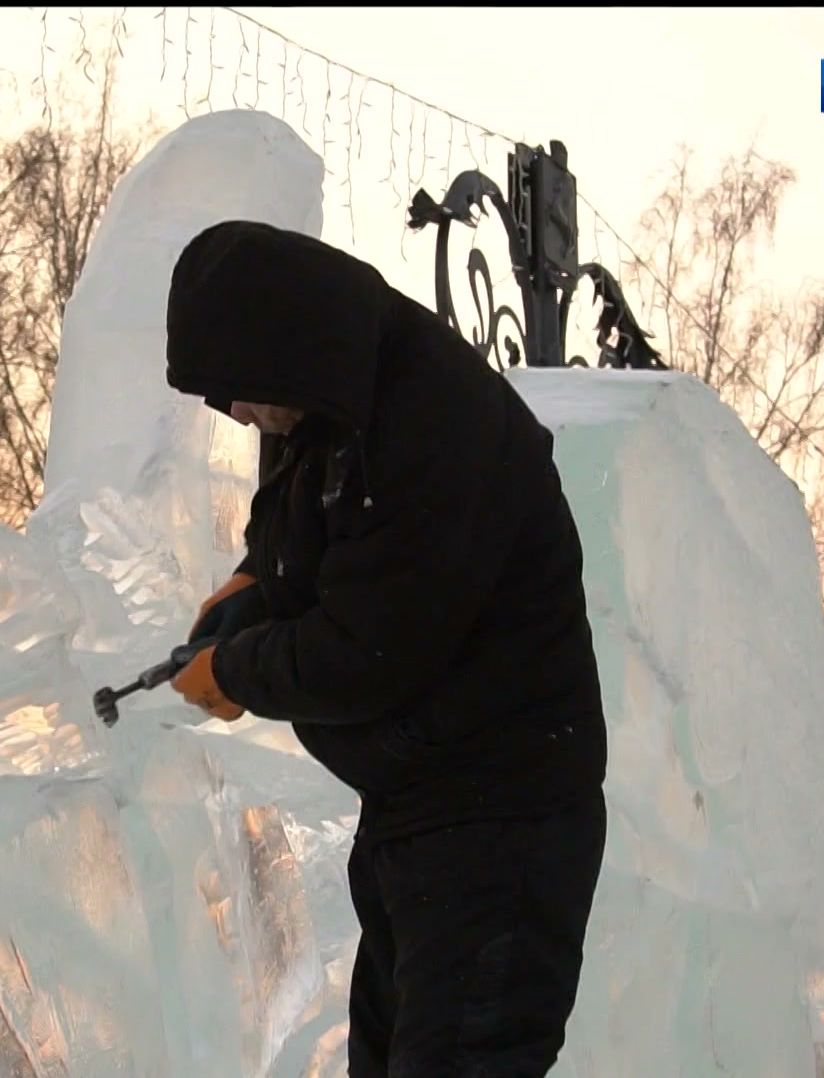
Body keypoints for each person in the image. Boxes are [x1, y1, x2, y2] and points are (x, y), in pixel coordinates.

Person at [161, 218, 610, 1077]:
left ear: (283, 346)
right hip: (421, 814)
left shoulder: (432, 422)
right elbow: (311, 558)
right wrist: (251, 588)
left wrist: (235, 669)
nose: (242, 415)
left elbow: (365, 652)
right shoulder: (333, 411)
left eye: (240, 391)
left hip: (499, 823)